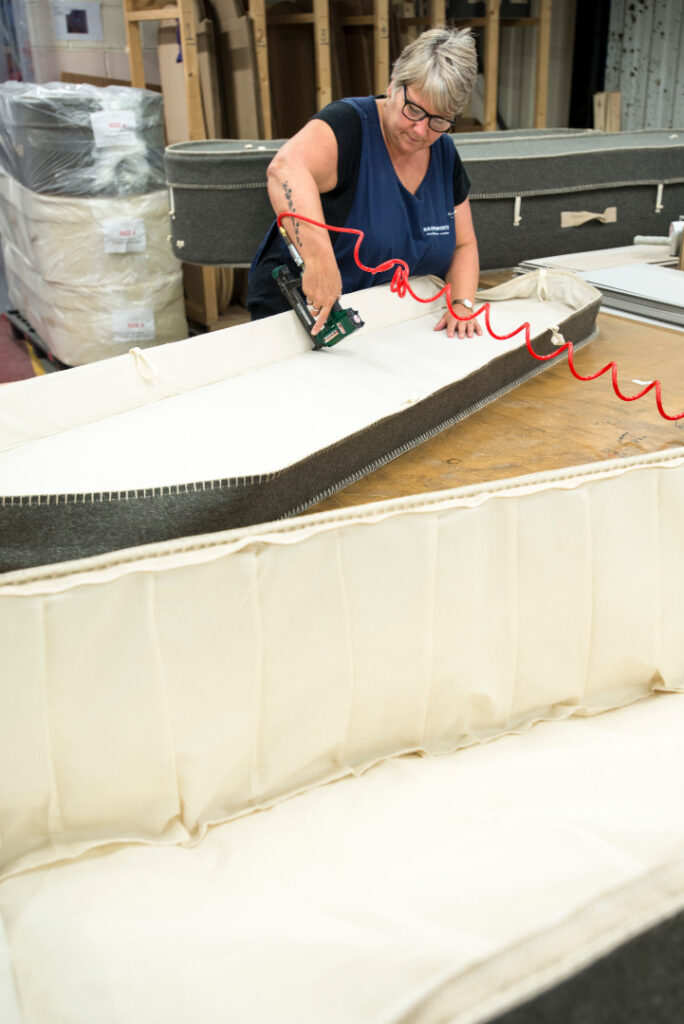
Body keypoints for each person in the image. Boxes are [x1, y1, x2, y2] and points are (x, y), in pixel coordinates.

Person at [246, 26, 483, 340]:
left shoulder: (443, 155)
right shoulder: (349, 128)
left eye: (439, 121)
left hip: (383, 324)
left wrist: (461, 304)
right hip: (305, 317)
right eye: (413, 110)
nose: (420, 131)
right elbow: (284, 169)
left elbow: (464, 245)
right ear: (394, 81)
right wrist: (319, 262)